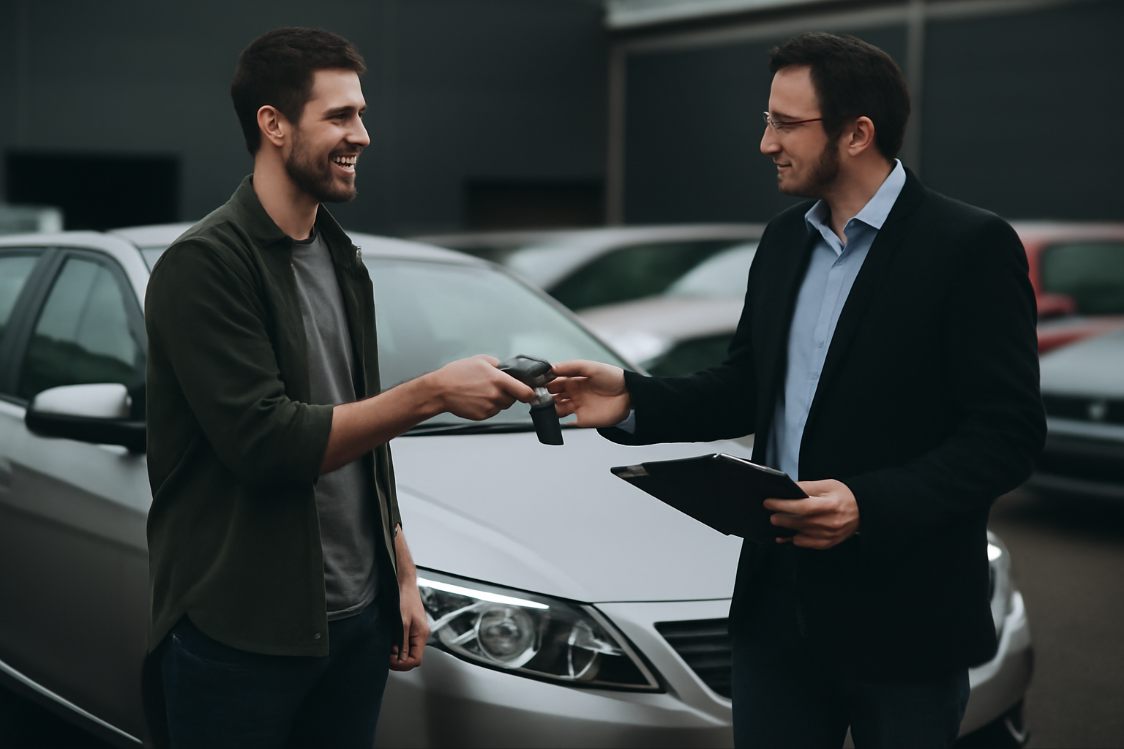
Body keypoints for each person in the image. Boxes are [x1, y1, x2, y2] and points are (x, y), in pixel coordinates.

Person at [548, 32, 1045, 749]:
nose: (766, 143)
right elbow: (748, 384)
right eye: (767, 120)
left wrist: (867, 503)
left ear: (856, 133)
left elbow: (1006, 434)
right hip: (774, 609)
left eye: (785, 123)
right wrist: (631, 397)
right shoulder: (784, 239)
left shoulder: (969, 246)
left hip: (903, 617)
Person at [142, 27, 534, 748]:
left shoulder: (339, 254)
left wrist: (402, 574)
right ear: (273, 124)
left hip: (357, 621)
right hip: (242, 632)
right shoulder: (204, 265)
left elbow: (363, 437)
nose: (363, 134)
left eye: (361, 113)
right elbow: (267, 443)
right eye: (340, 115)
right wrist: (433, 392)